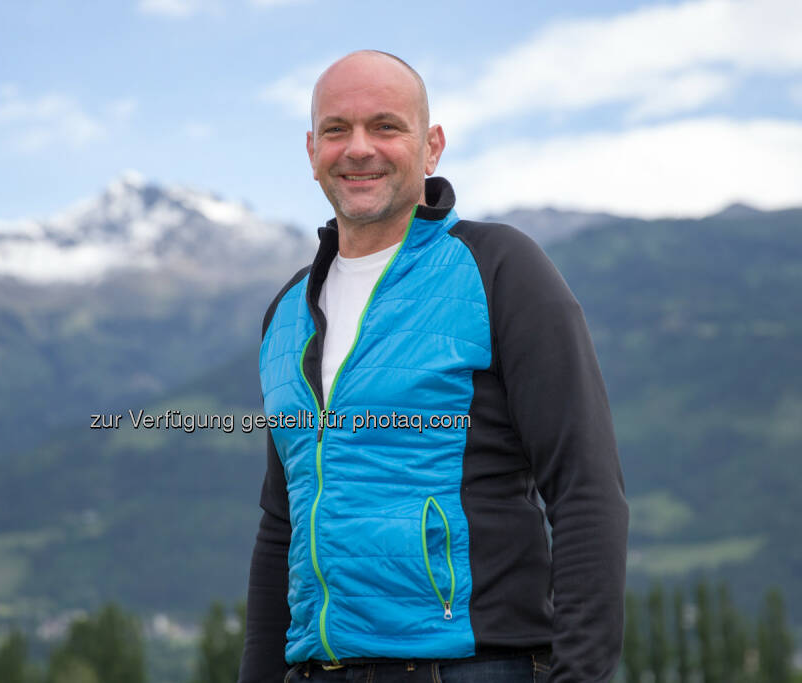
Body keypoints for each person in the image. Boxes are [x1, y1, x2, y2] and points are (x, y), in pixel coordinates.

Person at [238, 50, 628, 683]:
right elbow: (280, 526)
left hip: (472, 667)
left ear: (431, 147)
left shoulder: (499, 267)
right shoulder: (285, 314)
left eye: (386, 126)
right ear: (312, 151)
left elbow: (585, 489)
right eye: (337, 130)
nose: (358, 148)